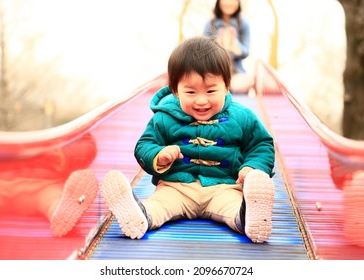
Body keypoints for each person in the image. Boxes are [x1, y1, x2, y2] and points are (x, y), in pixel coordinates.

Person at [100, 36, 275, 243]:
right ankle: (138, 215)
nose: (201, 100)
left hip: (224, 187)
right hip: (177, 186)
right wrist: (158, 156)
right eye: (191, 92)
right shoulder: (164, 118)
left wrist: (252, 168)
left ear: (227, 86)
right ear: (175, 90)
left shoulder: (241, 117)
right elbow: (144, 145)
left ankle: (250, 217)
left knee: (233, 209)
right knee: (158, 206)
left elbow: (261, 145)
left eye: (211, 90)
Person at [0, 133, 98, 237]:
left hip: (44, 183)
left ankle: (64, 213)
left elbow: (86, 143)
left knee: (55, 202)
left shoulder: (61, 115)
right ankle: (61, 208)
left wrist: (63, 155)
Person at [203, 0, 253, 94]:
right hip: (214, 71)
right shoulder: (210, 23)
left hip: (236, 72)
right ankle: (223, 87)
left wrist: (234, 44)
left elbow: (246, 52)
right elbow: (203, 51)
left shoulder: (243, 23)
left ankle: (226, 87)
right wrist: (217, 45)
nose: (229, 2)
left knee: (243, 84)